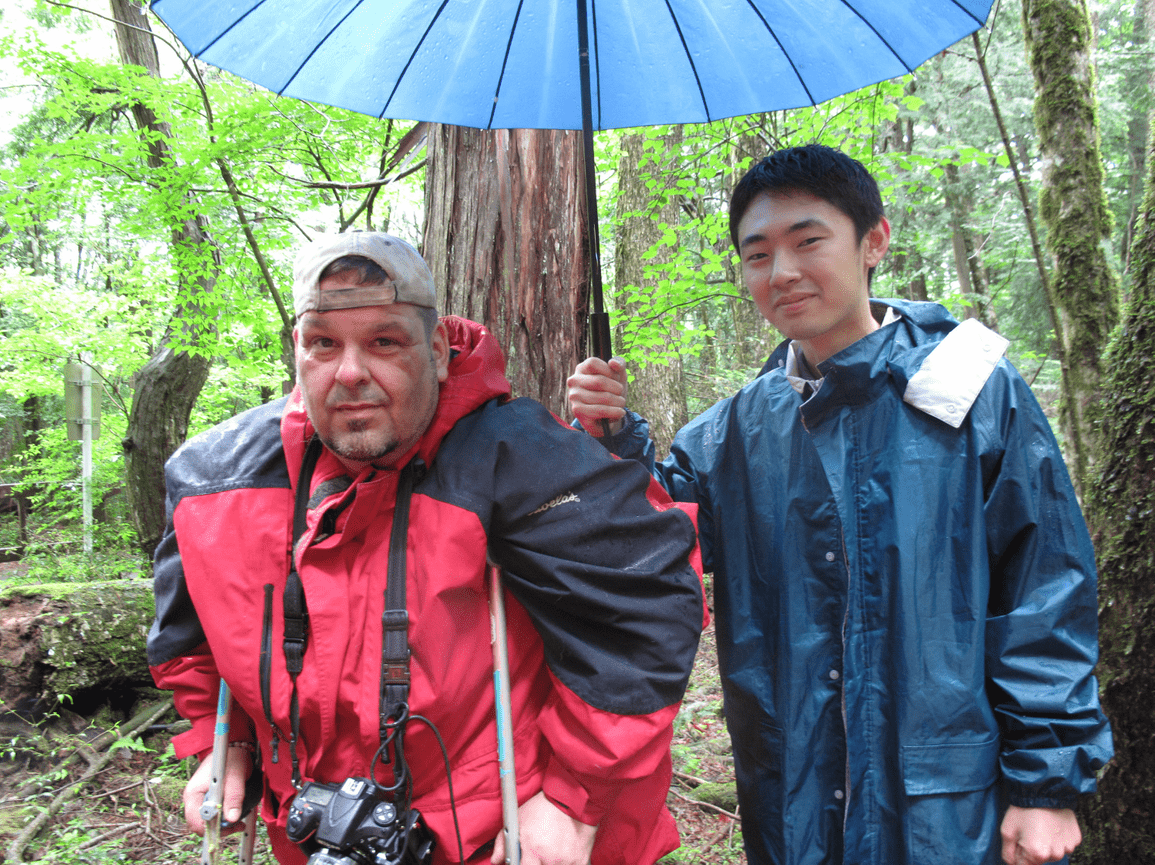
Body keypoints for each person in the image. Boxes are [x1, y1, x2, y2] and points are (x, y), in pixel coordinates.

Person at [567, 144, 1113, 865]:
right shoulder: (738, 426)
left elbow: (1044, 586)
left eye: (807, 241)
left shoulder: (967, 385)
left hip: (948, 803)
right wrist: (612, 439)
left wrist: (1044, 785)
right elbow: (650, 530)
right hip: (794, 796)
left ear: (872, 242)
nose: (782, 272)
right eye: (756, 253)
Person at [147, 231, 705, 865]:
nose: (350, 371)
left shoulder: (523, 460)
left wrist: (574, 802)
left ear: (437, 350)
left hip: (499, 834)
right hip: (311, 830)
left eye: (385, 341)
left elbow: (645, 611)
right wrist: (223, 746)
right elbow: (188, 638)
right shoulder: (212, 479)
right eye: (323, 343)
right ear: (295, 352)